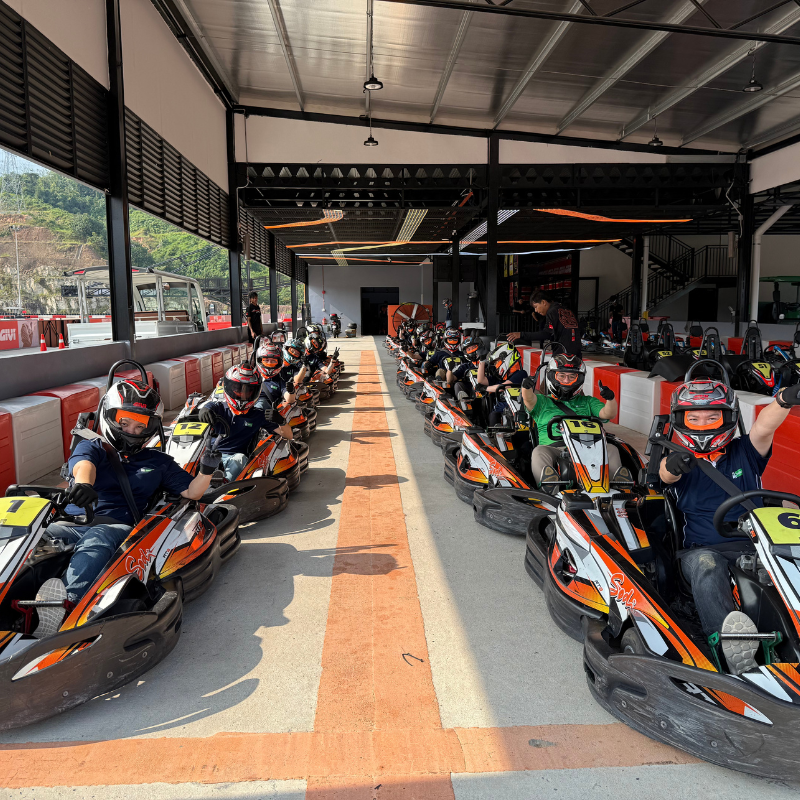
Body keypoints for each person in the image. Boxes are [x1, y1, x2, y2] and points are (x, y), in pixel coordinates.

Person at [34, 378, 218, 637]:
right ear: (110, 417)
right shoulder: (94, 446)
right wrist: (84, 485)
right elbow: (83, 465)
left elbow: (192, 492)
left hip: (117, 526)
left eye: (140, 425)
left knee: (97, 539)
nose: (132, 430)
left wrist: (207, 470)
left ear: (151, 427)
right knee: (36, 536)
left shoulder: (158, 462)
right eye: (125, 422)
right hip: (72, 522)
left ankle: (64, 607)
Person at [658, 380, 800, 675]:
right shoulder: (678, 459)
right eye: (694, 418)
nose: (703, 425)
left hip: (759, 544)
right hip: (702, 551)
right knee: (708, 567)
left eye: (712, 417)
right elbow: (665, 475)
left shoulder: (745, 451)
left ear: (728, 418)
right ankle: (729, 650)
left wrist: (784, 399)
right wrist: (671, 466)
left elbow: (764, 427)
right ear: (681, 420)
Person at [520, 353, 620, 485]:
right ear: (553, 377)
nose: (566, 380)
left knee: (611, 449)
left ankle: (618, 484)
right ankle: (548, 485)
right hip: (555, 448)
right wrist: (526, 388)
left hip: (589, 448)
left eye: (572, 376)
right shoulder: (542, 402)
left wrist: (610, 399)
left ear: (579, 379)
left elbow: (607, 414)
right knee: (539, 452)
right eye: (561, 376)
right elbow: (528, 399)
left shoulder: (588, 401)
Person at [199, 364, 292, 482]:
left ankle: (224, 485)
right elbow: (207, 407)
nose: (242, 394)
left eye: (248, 391)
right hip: (209, 454)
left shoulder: (259, 415)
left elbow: (289, 435)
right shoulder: (218, 408)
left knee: (240, 459)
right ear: (229, 388)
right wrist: (204, 411)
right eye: (238, 389)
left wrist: (281, 421)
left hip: (233, 458)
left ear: (256, 391)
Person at [507, 291, 581, 356]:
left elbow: (546, 333)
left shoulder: (551, 312)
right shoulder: (567, 310)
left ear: (543, 302)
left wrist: (521, 335)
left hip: (563, 353)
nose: (536, 310)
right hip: (576, 353)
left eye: (536, 306)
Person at [476, 343, 529, 426]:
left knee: (496, 416)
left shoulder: (521, 374)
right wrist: (482, 361)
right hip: (499, 413)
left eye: (497, 362)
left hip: (515, 414)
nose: (496, 366)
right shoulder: (499, 378)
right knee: (491, 413)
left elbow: (502, 387)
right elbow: (481, 380)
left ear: (506, 359)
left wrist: (485, 388)